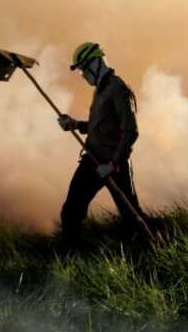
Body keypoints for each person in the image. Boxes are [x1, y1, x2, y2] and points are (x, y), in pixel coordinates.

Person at [57, 42, 148, 246]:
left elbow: (130, 131)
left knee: (132, 215)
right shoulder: (101, 89)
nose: (82, 75)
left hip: (113, 164)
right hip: (93, 160)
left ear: (95, 62)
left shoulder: (118, 88)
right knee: (72, 210)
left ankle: (152, 245)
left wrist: (113, 164)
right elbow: (103, 125)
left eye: (82, 69)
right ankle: (69, 255)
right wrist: (75, 124)